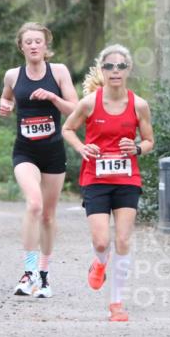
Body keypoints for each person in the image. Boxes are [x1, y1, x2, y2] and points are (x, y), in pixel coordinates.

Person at [62, 44, 154, 322]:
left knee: (123, 240)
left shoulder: (139, 104)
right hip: (96, 179)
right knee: (102, 242)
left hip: (127, 179)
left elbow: (150, 140)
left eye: (121, 66)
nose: (115, 71)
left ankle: (116, 304)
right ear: (102, 70)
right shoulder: (89, 102)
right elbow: (68, 129)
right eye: (110, 66)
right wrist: (81, 148)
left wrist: (136, 148)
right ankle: (100, 263)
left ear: (129, 71)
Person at [0, 22, 79, 298]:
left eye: (38, 41)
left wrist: (53, 97)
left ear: (46, 46)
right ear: (20, 46)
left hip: (54, 152)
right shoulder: (12, 75)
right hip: (25, 151)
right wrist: (5, 106)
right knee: (34, 204)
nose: (33, 46)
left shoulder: (58, 72)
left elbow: (76, 110)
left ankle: (44, 276)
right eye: (28, 42)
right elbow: (6, 98)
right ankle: (28, 272)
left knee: (47, 215)